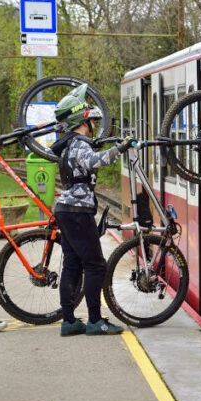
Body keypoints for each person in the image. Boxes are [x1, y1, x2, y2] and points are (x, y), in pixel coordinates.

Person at [50, 84, 126, 336]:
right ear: (84, 121)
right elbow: (94, 161)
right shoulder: (80, 143)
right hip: (78, 210)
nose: (94, 124)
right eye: (92, 120)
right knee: (95, 265)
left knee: (72, 263)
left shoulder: (67, 143)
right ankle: (95, 320)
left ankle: (69, 320)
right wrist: (120, 149)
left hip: (66, 208)